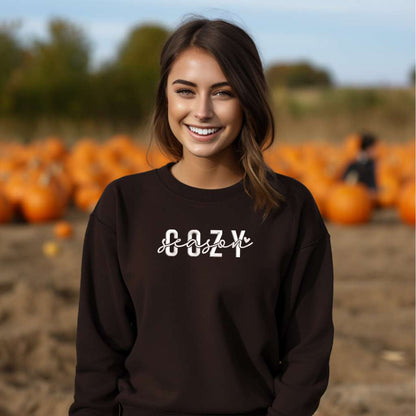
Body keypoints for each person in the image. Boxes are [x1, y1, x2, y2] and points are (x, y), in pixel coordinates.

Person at [68, 16, 334, 416]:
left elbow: (307, 352)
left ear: (249, 99)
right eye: (186, 91)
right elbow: (98, 354)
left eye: (223, 93)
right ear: (167, 99)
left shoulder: (289, 208)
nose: (202, 111)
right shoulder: (123, 205)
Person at [341, 132, 379, 203]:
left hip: (359, 197)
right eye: (374, 149)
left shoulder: (354, 161)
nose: (376, 152)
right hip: (357, 197)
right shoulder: (361, 164)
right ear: (369, 149)